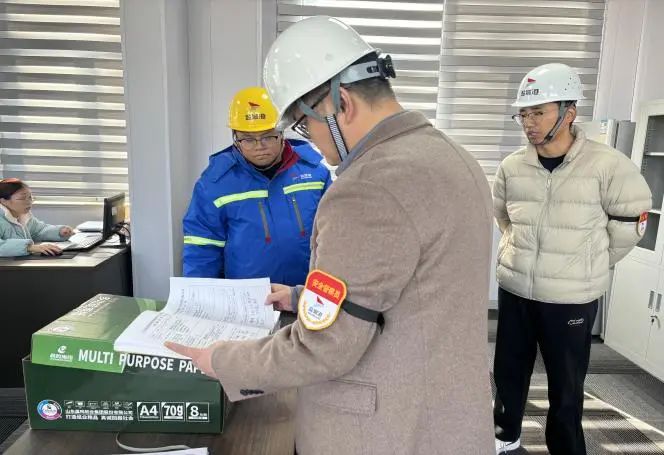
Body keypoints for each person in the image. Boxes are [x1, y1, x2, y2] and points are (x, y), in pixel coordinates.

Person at [168, 16, 494, 454]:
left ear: (341, 103)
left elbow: (325, 346)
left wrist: (222, 360)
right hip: (449, 415)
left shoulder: (367, 187)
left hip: (384, 432)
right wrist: (303, 296)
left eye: (304, 125)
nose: (311, 142)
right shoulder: (452, 157)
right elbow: (407, 289)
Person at [492, 63, 652, 455]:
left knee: (566, 385)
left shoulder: (607, 165)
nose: (528, 123)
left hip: (570, 299)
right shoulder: (512, 166)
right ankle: (505, 436)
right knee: (509, 372)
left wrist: (588, 262)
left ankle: (565, 448)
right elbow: (504, 217)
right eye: (523, 114)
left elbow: (632, 223)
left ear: (569, 113)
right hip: (516, 288)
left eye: (538, 112)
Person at [182, 87, 332, 286]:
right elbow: (201, 251)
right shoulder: (214, 185)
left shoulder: (315, 172)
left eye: (268, 136)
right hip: (248, 298)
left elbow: (335, 236)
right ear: (235, 138)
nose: (259, 146)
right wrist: (199, 296)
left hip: (307, 293)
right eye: (248, 139)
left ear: (281, 132)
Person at [0, 178, 73, 257]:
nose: (29, 202)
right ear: (3, 201)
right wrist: (29, 247)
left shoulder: (23, 215)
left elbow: (39, 230)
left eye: (30, 197)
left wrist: (59, 232)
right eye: (22, 198)